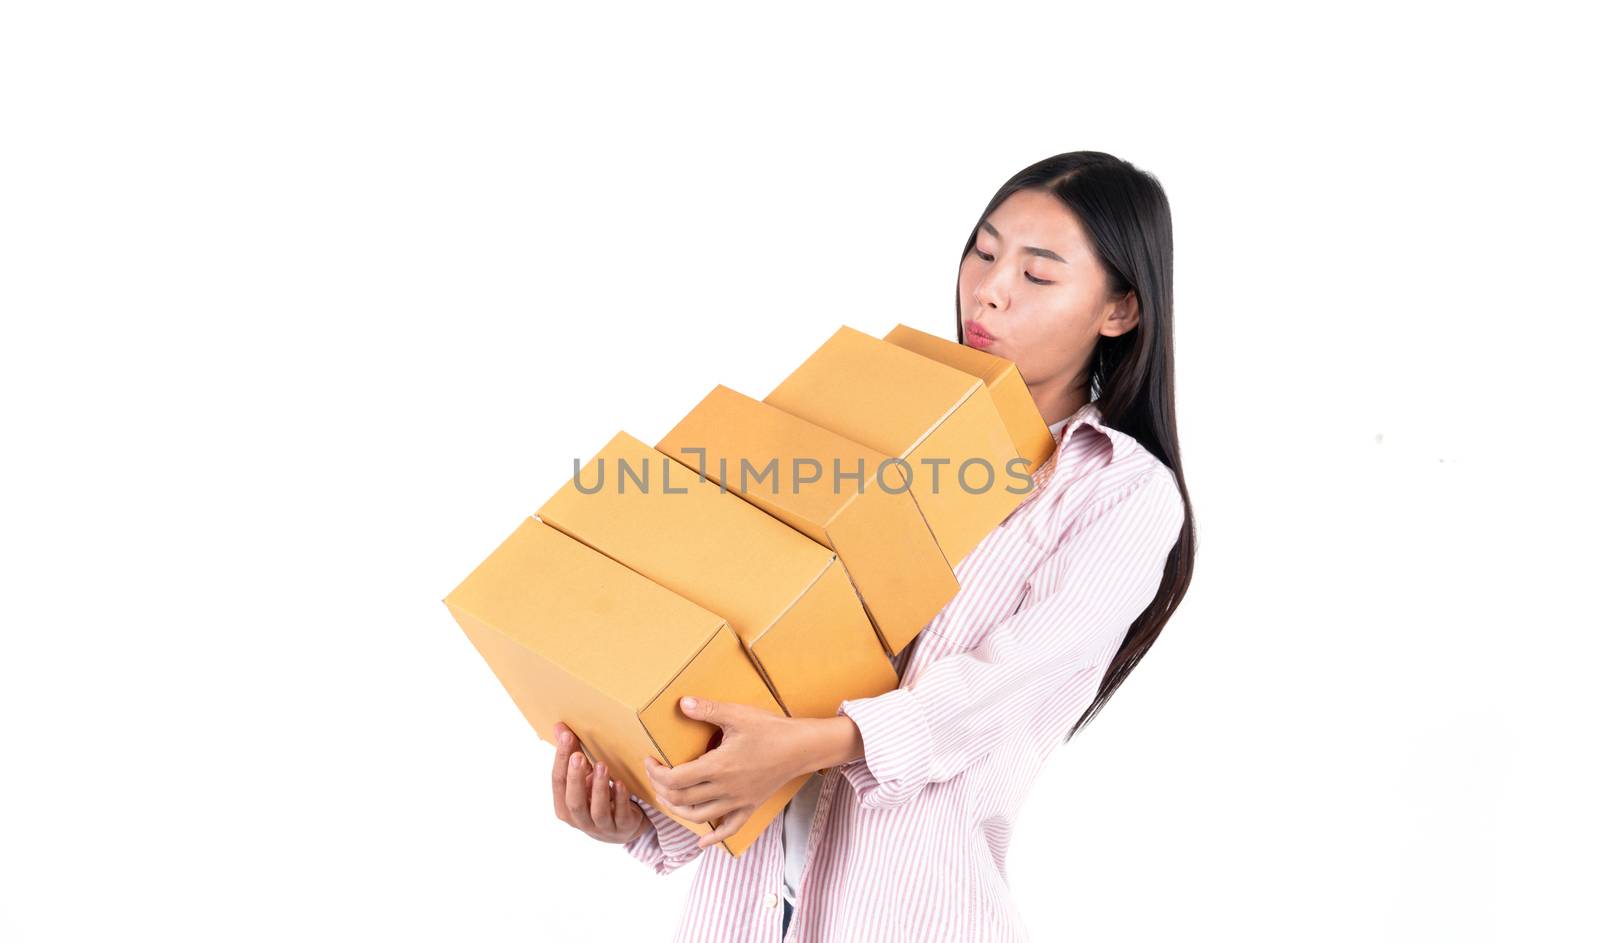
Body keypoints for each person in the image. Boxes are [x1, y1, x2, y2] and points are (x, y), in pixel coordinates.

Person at [549, 150, 1196, 942]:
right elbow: (772, 651)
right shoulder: (876, 426)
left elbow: (995, 692)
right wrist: (645, 811)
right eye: (984, 252)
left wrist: (819, 743)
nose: (989, 287)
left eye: (1038, 273)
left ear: (1121, 310)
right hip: (744, 913)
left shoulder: (1119, 492)